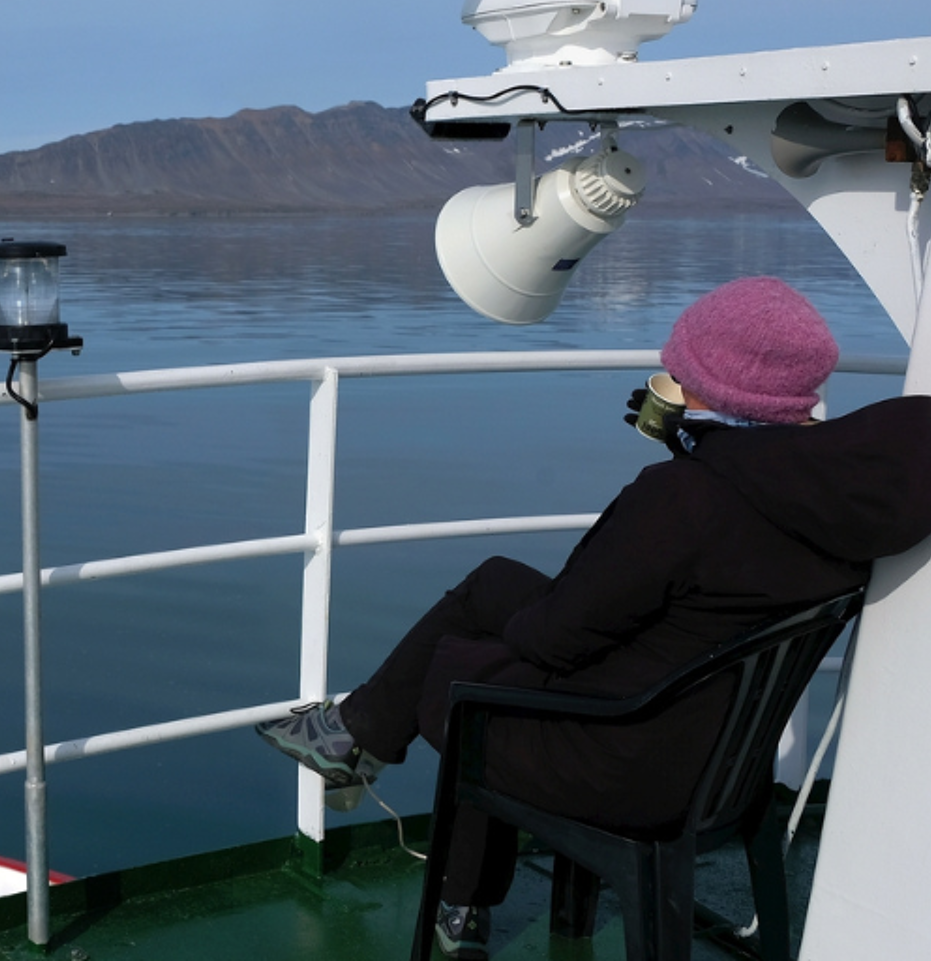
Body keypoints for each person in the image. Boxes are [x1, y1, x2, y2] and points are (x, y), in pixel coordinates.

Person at [255, 276, 931, 960]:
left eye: (681, 367)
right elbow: (719, 565)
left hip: (626, 764)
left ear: (704, 383)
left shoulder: (683, 500)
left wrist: (681, 467)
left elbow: (556, 639)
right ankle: (352, 734)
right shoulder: (844, 498)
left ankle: (437, 868)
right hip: (724, 756)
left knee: (463, 668)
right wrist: (703, 450)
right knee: (493, 587)